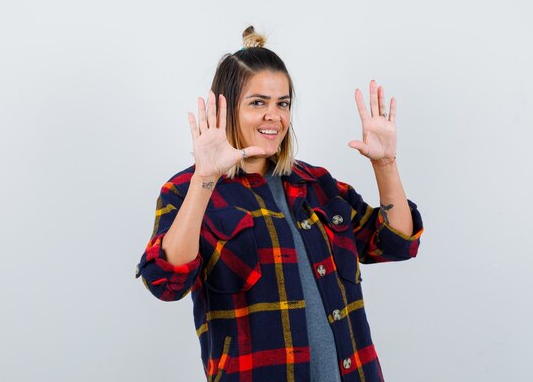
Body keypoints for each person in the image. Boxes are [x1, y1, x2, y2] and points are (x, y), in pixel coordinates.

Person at [136, 26, 424, 382]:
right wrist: (205, 178)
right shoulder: (185, 190)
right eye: (258, 103)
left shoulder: (317, 184)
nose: (274, 116)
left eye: (282, 104)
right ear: (226, 109)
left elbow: (397, 244)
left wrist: (385, 164)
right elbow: (166, 282)